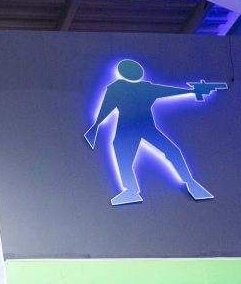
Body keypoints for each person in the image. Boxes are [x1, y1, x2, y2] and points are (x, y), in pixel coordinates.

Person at [85, 59, 223, 205]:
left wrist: (193, 91)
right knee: (131, 158)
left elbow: (169, 91)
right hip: (130, 129)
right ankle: (132, 190)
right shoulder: (121, 88)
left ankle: (188, 183)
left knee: (168, 152)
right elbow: (105, 109)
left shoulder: (129, 88)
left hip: (137, 128)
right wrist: (96, 126)